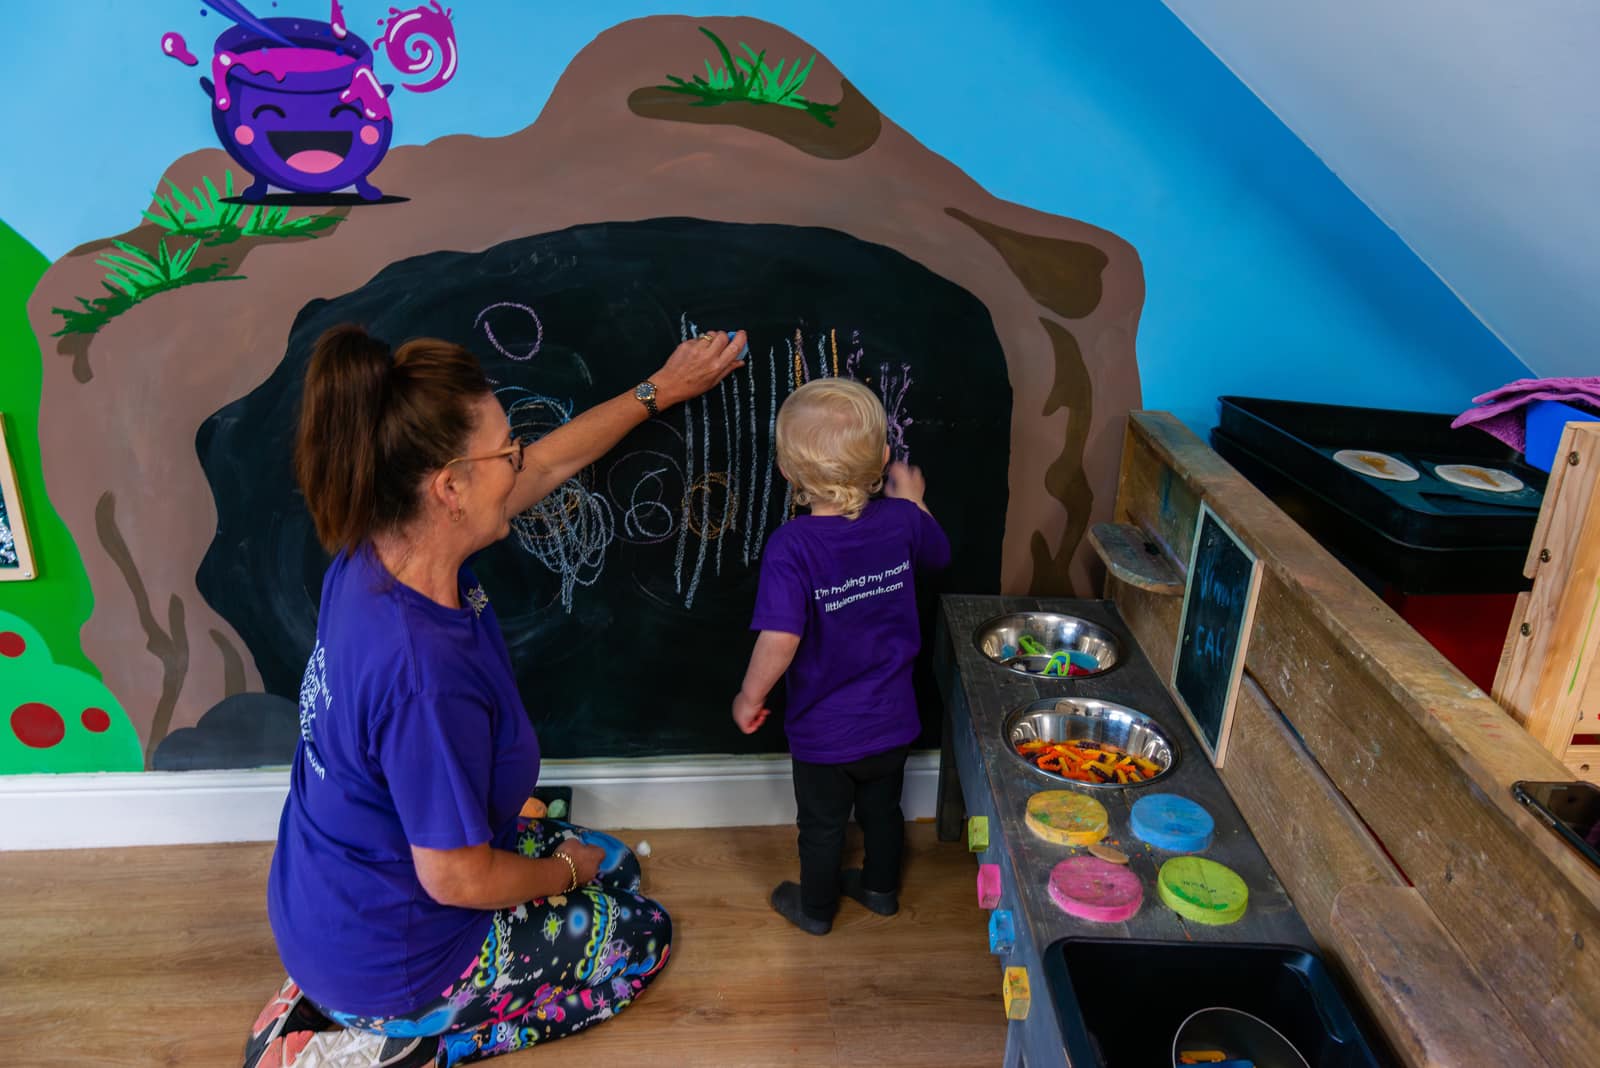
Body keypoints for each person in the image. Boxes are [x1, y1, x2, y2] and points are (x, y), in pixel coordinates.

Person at [243, 323, 746, 1068]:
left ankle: (339, 996)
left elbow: (546, 466)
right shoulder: (423, 674)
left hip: (333, 895)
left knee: (618, 864)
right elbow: (456, 876)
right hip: (401, 952)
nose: (518, 460)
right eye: (503, 451)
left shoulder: (375, 547)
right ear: (449, 488)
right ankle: (393, 1042)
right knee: (643, 936)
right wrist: (565, 874)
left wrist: (657, 391)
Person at [731, 377, 950, 935]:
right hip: (894, 719)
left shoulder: (793, 546)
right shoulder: (902, 521)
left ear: (787, 471)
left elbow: (779, 640)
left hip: (824, 734)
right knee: (882, 814)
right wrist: (916, 501)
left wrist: (749, 696)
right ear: (881, 458)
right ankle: (880, 892)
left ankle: (817, 909)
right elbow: (939, 554)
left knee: (823, 827)